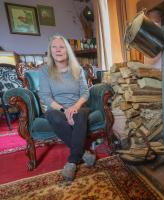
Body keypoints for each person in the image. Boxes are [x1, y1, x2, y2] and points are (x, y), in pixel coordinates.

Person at [39, 34, 95, 181]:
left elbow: (85, 92)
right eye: (54, 47)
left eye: (61, 47)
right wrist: (65, 110)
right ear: (50, 51)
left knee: (81, 115)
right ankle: (83, 153)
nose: (58, 50)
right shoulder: (45, 71)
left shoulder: (77, 69)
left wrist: (74, 108)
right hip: (58, 109)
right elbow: (46, 96)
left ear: (67, 50)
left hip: (78, 107)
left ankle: (72, 162)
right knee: (52, 115)